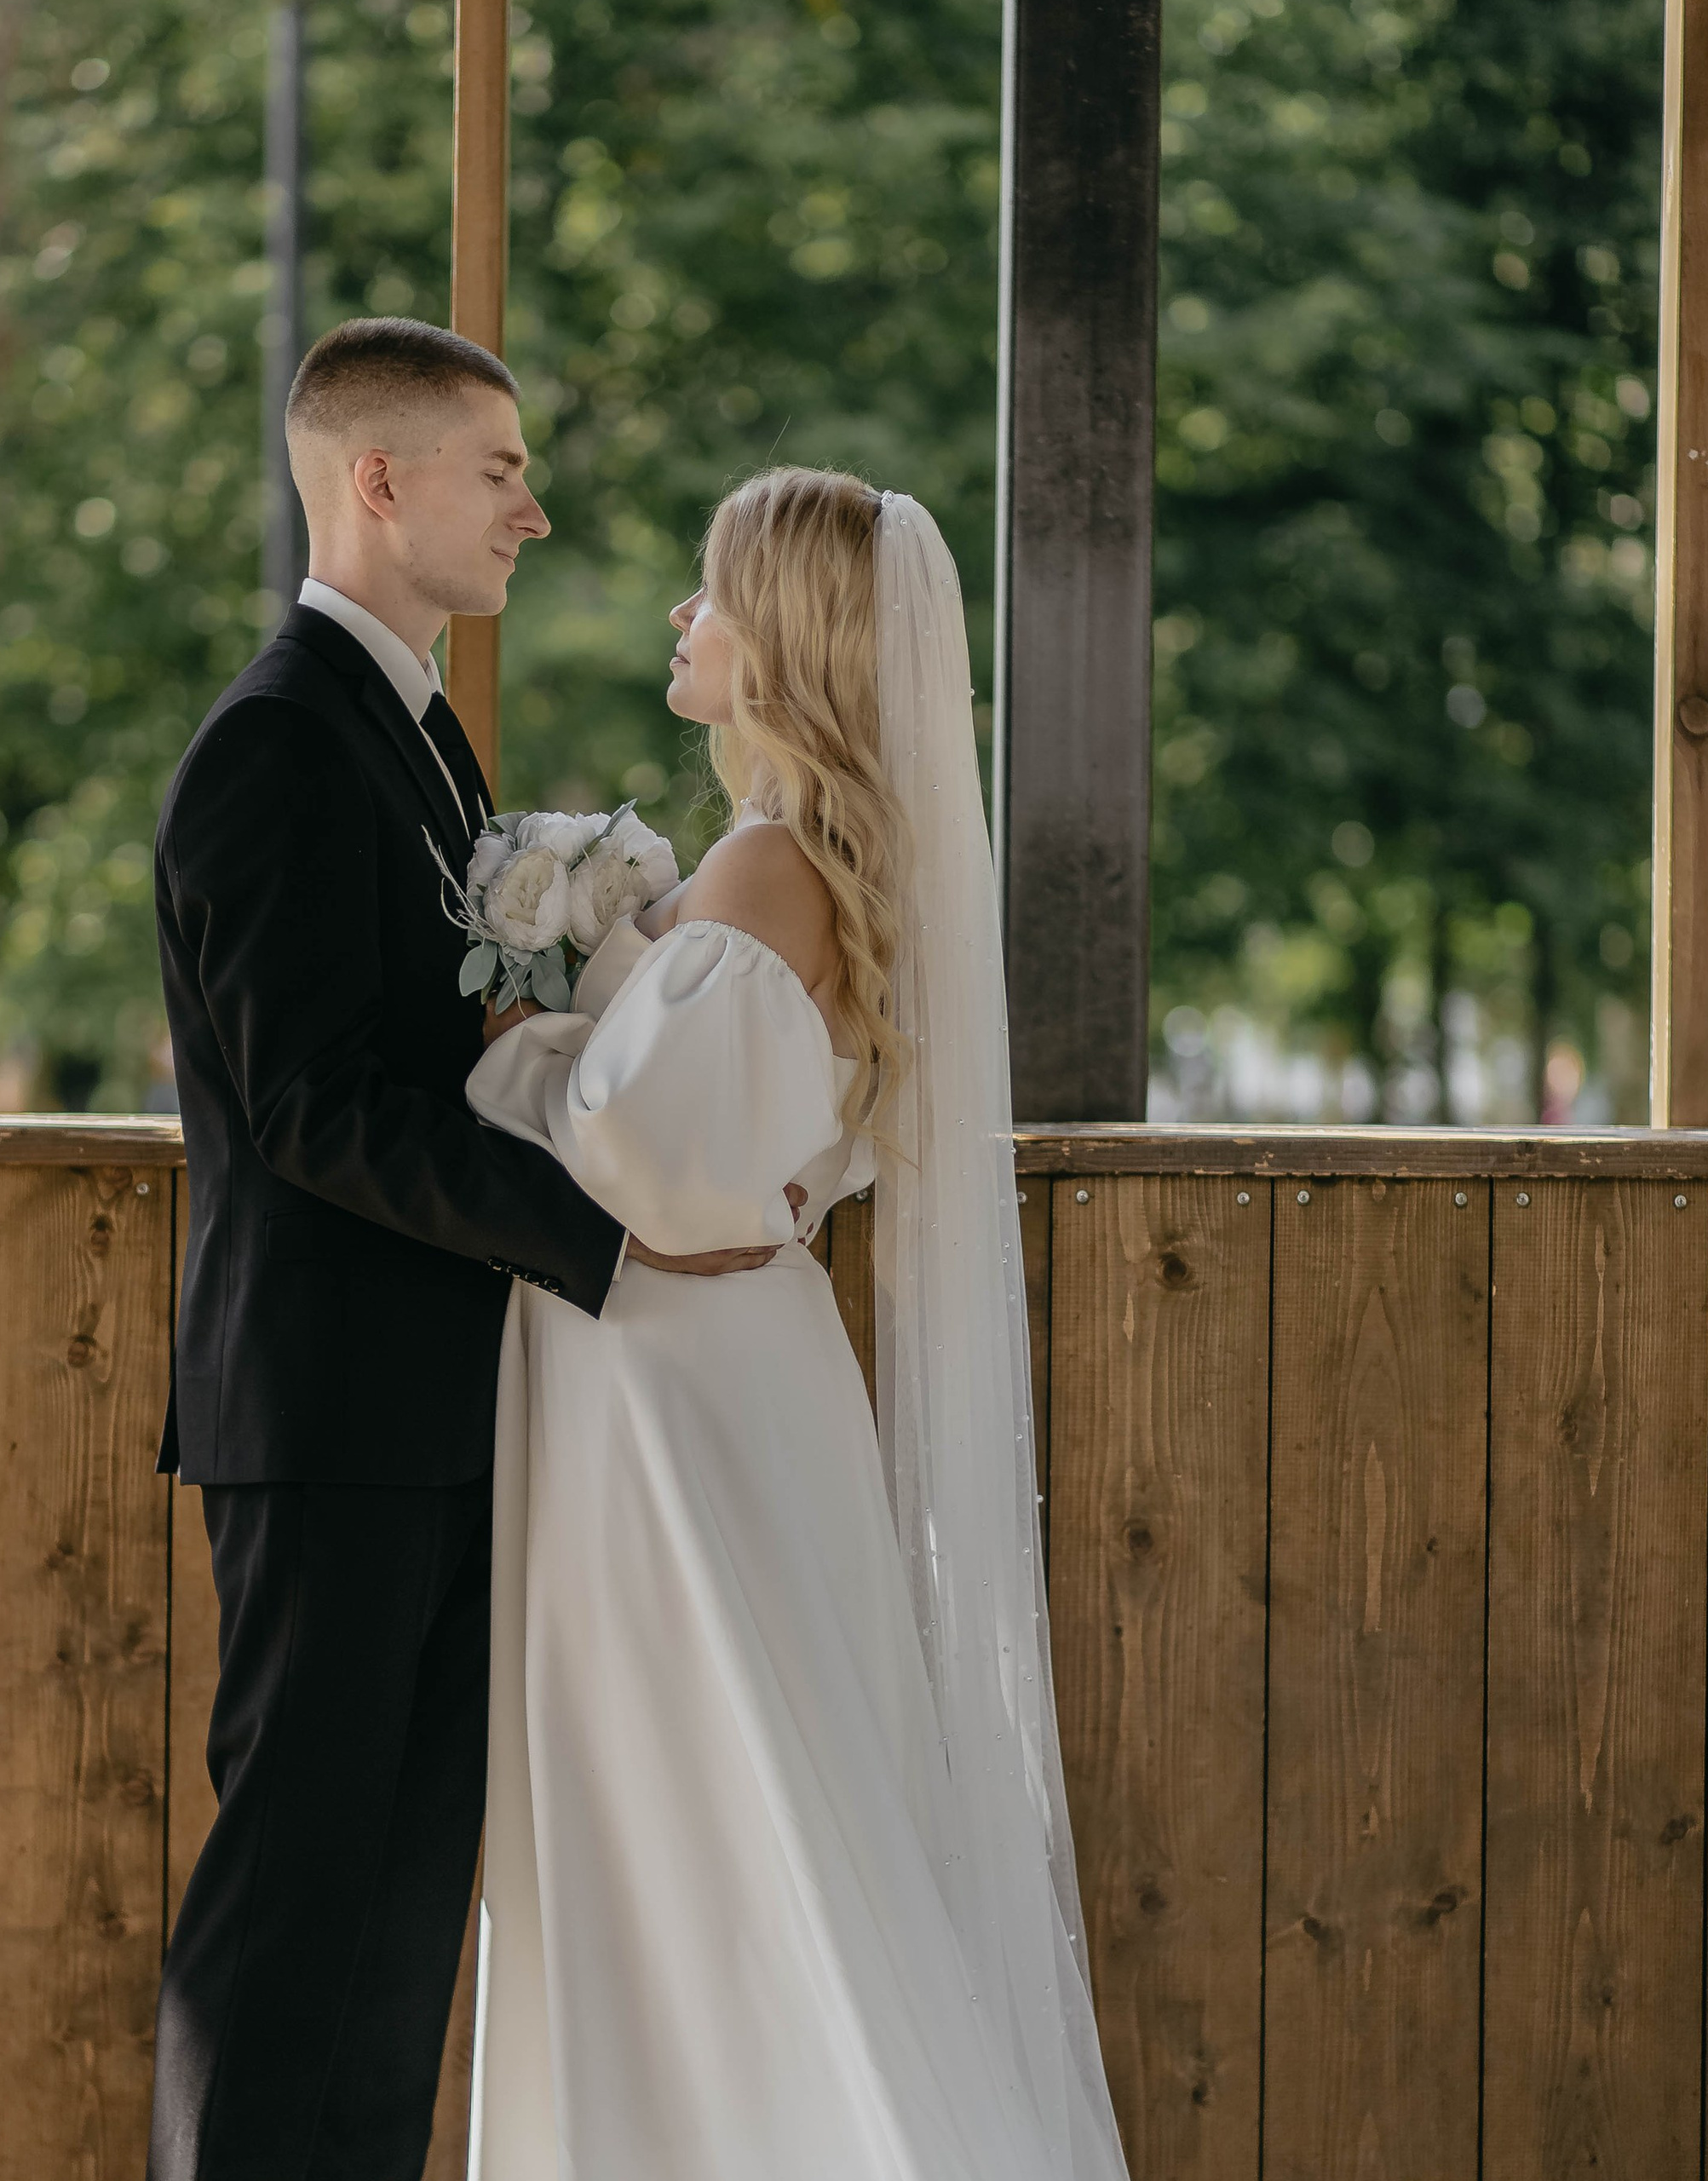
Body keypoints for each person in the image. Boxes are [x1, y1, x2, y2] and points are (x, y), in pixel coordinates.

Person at [147, 317, 773, 2181]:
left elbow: (429, 1049)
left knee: (398, 1918)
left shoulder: (413, 734)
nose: (535, 509)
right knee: (289, 1919)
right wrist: (609, 1233)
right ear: (376, 478)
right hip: (327, 1420)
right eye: (498, 470)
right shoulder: (272, 741)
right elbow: (309, 1105)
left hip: (440, 1410)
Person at [466, 469, 1133, 2178]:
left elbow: (656, 1165)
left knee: (707, 1822)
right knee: (737, 1815)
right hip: (714, 1374)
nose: (683, 620)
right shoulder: (811, 853)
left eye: (710, 592)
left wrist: (526, 1042)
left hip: (676, 1397)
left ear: (784, 634)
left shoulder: (767, 860)